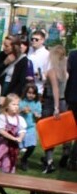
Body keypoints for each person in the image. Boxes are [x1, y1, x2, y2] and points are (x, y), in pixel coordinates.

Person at [40, 44, 69, 174]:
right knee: (64, 132)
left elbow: (55, 89)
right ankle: (66, 152)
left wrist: (56, 107)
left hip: (51, 102)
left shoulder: (52, 71)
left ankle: (49, 161)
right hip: (64, 102)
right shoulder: (65, 72)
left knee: (48, 132)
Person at [18, 83, 41, 171]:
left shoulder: (37, 103)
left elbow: (39, 115)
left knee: (32, 146)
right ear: (25, 92)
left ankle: (24, 159)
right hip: (21, 127)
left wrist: (37, 115)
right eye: (29, 93)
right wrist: (22, 110)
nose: (31, 95)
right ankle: (13, 159)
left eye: (33, 93)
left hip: (31, 127)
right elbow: (16, 112)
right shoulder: (21, 101)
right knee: (18, 145)